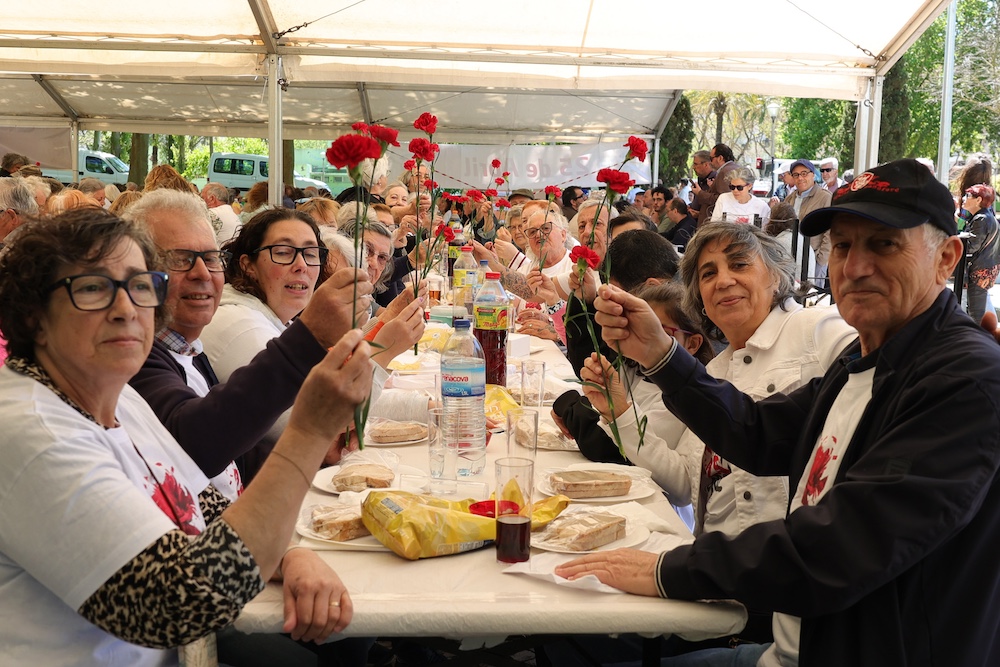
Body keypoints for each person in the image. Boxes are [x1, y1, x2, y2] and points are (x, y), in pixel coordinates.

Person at [557, 158, 1000, 666]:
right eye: (842, 245)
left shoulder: (960, 374)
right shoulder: (869, 359)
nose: (854, 267)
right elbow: (757, 430)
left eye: (883, 243)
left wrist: (667, 570)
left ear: (947, 258)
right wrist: (661, 355)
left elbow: (840, 546)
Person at [0, 208, 371, 664]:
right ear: (33, 314)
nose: (126, 309)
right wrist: (309, 430)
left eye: (140, 286)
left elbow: (201, 505)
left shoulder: (119, 399)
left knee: (350, 628)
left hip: (197, 646)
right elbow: (176, 604)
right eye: (93, 289)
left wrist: (291, 556)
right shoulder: (30, 431)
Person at [125, 189, 367, 484]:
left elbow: (240, 460)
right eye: (181, 259)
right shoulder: (131, 357)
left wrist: (316, 452)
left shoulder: (188, 350)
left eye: (210, 258)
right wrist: (310, 337)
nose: (202, 273)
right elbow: (196, 443)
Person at [960, 183, 1000, 323]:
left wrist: (957, 238)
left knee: (976, 314)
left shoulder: (981, 219)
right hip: (985, 270)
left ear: (978, 200)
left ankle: (981, 341)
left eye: (968, 195)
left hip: (980, 272)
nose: (964, 198)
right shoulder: (985, 216)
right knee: (976, 310)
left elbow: (971, 246)